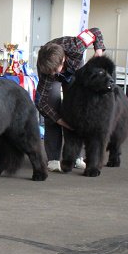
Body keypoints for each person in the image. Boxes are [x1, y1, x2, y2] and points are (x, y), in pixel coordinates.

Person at [35, 28, 106, 172]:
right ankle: (53, 159)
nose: (56, 74)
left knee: (76, 110)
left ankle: (75, 157)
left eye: (57, 70)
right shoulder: (47, 71)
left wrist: (98, 52)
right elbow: (41, 102)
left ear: (63, 59)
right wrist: (59, 120)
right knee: (52, 109)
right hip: (49, 74)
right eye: (53, 72)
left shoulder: (76, 45)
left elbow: (96, 32)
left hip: (75, 72)